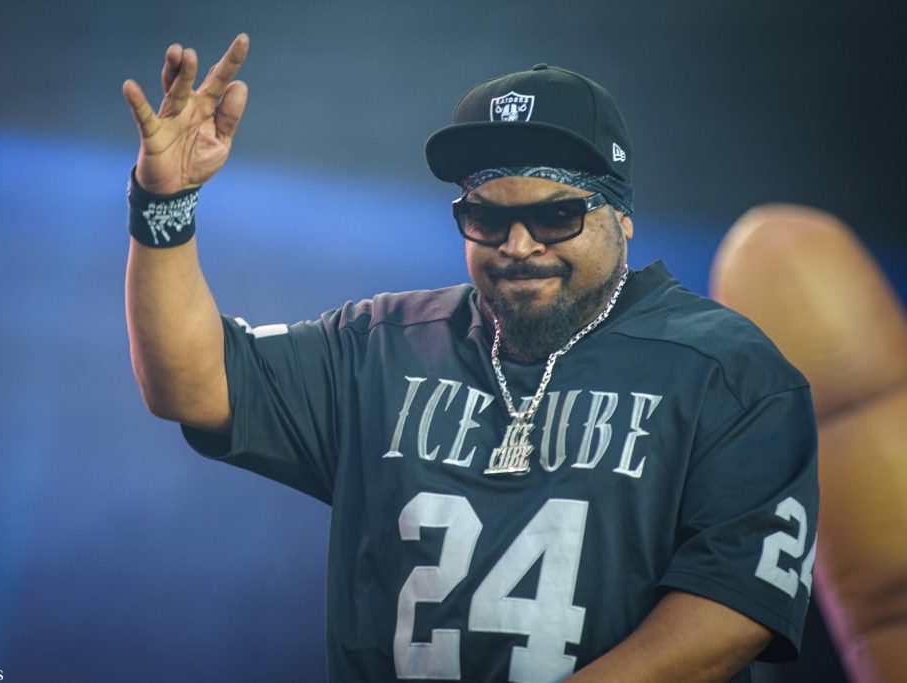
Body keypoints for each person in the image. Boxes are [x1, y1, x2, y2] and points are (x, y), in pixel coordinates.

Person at [122, 34, 819, 683]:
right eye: (486, 218)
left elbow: (735, 606)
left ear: (621, 215)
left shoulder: (726, 369)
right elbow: (190, 385)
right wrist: (164, 203)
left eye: (555, 216)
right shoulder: (382, 343)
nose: (518, 245)